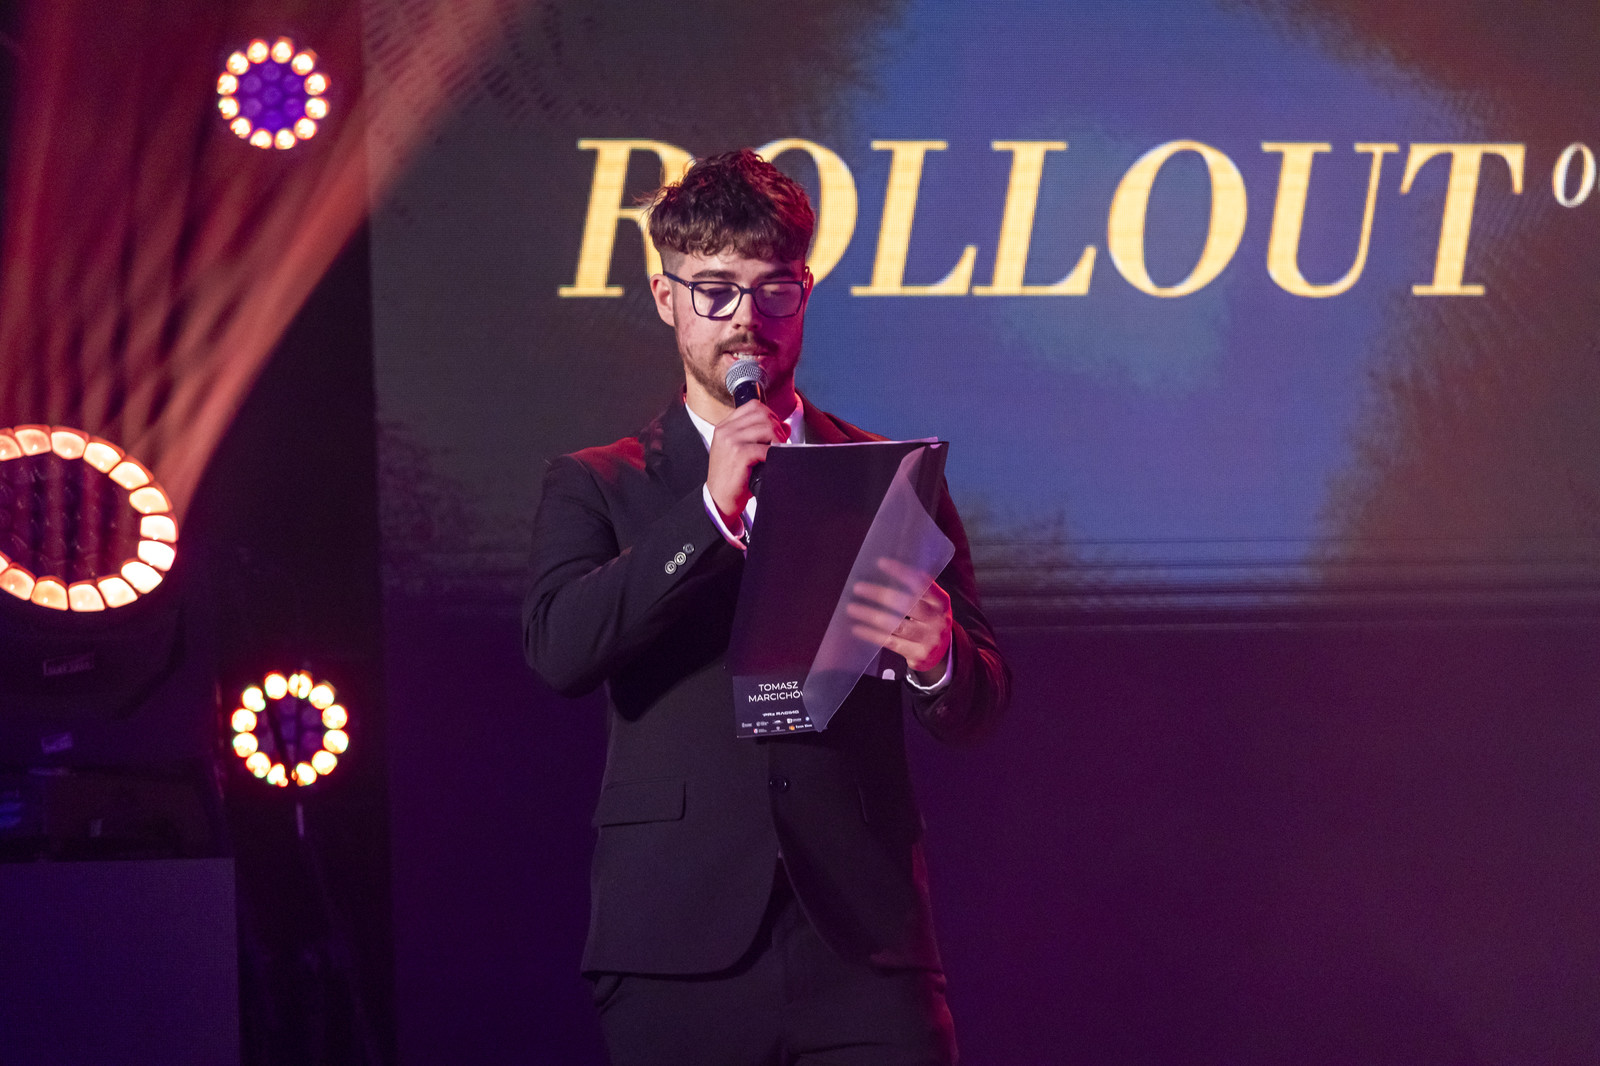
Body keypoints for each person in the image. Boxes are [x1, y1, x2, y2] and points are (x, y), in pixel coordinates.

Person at [523, 148, 1009, 1065]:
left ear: (805, 294)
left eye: (773, 290)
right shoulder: (601, 482)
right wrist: (708, 512)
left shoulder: (887, 474)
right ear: (666, 298)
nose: (746, 320)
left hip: (864, 943)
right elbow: (560, 649)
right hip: (677, 938)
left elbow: (979, 703)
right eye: (714, 291)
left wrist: (937, 657)